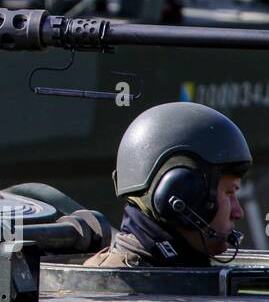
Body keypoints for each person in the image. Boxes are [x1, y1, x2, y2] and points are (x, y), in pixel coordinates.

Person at [83, 102, 248, 268]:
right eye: (229, 193)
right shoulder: (110, 287)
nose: (238, 212)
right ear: (180, 195)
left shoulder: (190, 280)